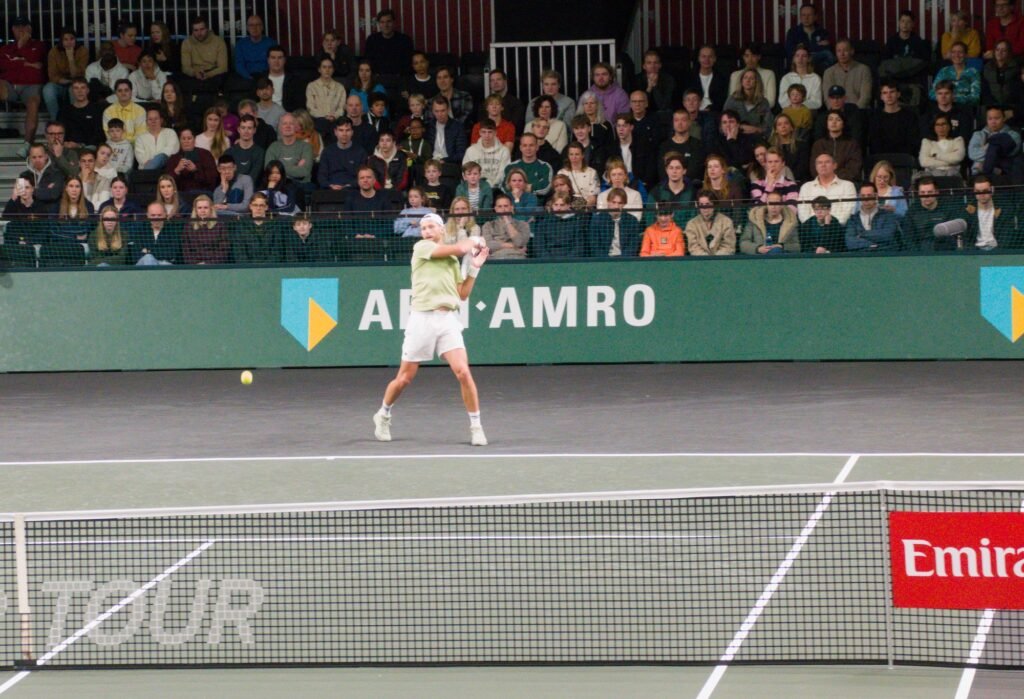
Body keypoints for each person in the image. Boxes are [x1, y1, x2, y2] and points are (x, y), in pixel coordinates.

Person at [373, 210, 490, 445]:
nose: (426, 232)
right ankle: (383, 414)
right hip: (421, 319)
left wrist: (475, 268)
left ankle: (476, 426)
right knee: (404, 378)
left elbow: (462, 294)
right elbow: (459, 248)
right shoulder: (422, 248)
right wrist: (475, 240)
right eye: (423, 228)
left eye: (430, 227)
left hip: (447, 320)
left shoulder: (452, 261)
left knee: (463, 372)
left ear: (441, 230)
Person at [0, 16, 46, 156]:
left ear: (29, 29)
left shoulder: (39, 46)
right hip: (9, 86)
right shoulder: (5, 48)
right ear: (12, 29)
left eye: (24, 26)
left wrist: (21, 52)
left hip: (30, 86)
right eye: (17, 27)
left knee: (33, 102)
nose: (20, 30)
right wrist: (27, 63)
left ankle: (27, 144)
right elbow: (3, 66)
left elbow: (39, 66)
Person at [45, 176, 93, 265]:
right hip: (60, 250)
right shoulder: (56, 207)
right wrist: (75, 237)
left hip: (80, 251)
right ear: (66, 188)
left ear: (81, 189)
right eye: (71, 186)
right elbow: (53, 233)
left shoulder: (88, 206)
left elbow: (86, 231)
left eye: (77, 186)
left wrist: (65, 232)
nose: (74, 189)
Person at [797, 153, 857, 224]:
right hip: (813, 231)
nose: (823, 165)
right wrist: (816, 226)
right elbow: (803, 213)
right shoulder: (806, 187)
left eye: (827, 162)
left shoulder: (847, 186)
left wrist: (832, 225)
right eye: (820, 163)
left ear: (835, 165)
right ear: (816, 167)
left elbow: (849, 211)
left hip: (838, 230)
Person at [901, 177, 956, 252]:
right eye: (922, 193)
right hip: (919, 255)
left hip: (944, 253)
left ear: (936, 192)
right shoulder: (912, 212)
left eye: (929, 192)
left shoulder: (947, 209)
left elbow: (952, 237)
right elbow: (909, 239)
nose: (926, 196)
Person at [43, 27, 87, 122]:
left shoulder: (82, 51)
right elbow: (52, 75)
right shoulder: (54, 52)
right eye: (65, 39)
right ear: (61, 41)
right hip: (59, 83)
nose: (69, 42)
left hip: (76, 82)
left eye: (71, 39)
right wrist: (64, 81)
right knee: (48, 89)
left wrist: (70, 57)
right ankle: (56, 121)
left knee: (74, 89)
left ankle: (74, 121)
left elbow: (77, 75)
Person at [964, 175, 1019, 250]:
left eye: (985, 191)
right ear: (974, 191)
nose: (981, 195)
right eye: (977, 192)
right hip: (975, 251)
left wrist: (998, 252)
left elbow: (1007, 234)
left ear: (992, 189)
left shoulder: (1005, 208)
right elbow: (966, 236)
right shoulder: (968, 210)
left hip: (998, 251)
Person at [179, 15, 228, 97]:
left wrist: (208, 74)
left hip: (213, 73)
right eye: (196, 30)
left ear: (207, 29)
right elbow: (185, 67)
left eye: (202, 29)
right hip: (195, 73)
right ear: (192, 31)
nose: (199, 33)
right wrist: (195, 73)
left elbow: (223, 67)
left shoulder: (218, 41)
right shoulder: (186, 43)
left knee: (220, 80)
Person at [869, 80, 920, 158]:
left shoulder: (910, 117)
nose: (889, 96)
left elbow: (913, 143)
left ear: (898, 94)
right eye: (885, 93)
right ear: (881, 97)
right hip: (881, 160)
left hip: (905, 159)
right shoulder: (875, 118)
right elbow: (874, 144)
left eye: (892, 92)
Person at [605, 114, 657, 190]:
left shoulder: (643, 146)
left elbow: (650, 168)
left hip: (639, 185)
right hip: (618, 185)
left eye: (624, 126)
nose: (621, 129)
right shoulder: (611, 148)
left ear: (631, 127)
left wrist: (643, 183)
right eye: (618, 126)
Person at [741, 190, 800, 254]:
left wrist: (782, 246)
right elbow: (743, 243)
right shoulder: (754, 220)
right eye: (771, 203)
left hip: (781, 257)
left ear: (781, 205)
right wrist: (758, 248)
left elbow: (797, 247)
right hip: (759, 258)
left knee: (776, 251)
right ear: (766, 204)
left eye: (776, 204)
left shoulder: (790, 221)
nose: (773, 207)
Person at [265, 112, 314, 190]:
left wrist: (279, 168)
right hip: (279, 186)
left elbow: (304, 172)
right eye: (284, 123)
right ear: (280, 127)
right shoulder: (273, 147)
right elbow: (269, 171)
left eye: (291, 123)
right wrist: (295, 167)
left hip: (301, 187)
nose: (287, 126)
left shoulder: (306, 147)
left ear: (296, 127)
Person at [811, 110, 862, 182]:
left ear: (843, 124)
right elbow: (814, 168)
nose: (833, 122)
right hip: (823, 181)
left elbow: (854, 169)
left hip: (846, 182)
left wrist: (834, 177)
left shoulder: (852, 144)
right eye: (830, 119)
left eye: (838, 120)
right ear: (826, 123)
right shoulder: (819, 144)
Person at [968, 106, 1021, 176]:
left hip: (1004, 174)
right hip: (979, 175)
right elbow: (972, 154)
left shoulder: (1014, 135)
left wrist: (986, 148)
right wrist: (992, 151)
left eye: (997, 118)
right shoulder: (978, 134)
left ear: (1004, 118)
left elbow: (1010, 153)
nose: (993, 122)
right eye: (990, 119)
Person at [880, 11, 931, 83]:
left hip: (913, 78)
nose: (905, 24)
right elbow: (885, 61)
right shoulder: (891, 41)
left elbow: (921, 63)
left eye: (908, 22)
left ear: (913, 24)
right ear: (899, 23)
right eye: (902, 21)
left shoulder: (918, 42)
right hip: (894, 77)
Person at [845, 182, 899, 251]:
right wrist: (872, 245)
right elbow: (850, 242)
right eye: (863, 196)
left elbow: (888, 235)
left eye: (869, 196)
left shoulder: (887, 216)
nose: (866, 199)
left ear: (876, 196)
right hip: (861, 257)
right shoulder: (853, 220)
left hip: (884, 255)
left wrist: (862, 234)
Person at [318, 117, 367, 191]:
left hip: (353, 190)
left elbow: (363, 177)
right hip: (331, 190)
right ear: (335, 132)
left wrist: (350, 185)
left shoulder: (360, 152)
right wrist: (330, 185)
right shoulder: (327, 152)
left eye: (347, 130)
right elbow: (321, 176)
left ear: (352, 132)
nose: (344, 134)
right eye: (341, 130)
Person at [230, 192, 280, 263]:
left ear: (266, 207)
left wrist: (267, 267)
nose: (258, 208)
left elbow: (277, 251)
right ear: (250, 206)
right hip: (248, 269)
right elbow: (239, 251)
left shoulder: (275, 226)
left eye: (261, 205)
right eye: (255, 205)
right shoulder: (241, 225)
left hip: (270, 268)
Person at [822, 39, 872, 110]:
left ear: (852, 51)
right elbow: (827, 98)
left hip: (858, 112)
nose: (842, 54)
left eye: (845, 50)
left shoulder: (864, 70)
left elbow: (865, 97)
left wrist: (855, 112)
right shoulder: (829, 72)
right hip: (836, 114)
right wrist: (836, 113)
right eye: (839, 51)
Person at [723, 68, 773, 138]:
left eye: (751, 78)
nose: (748, 80)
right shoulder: (732, 99)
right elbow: (724, 122)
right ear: (741, 81)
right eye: (745, 78)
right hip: (735, 137)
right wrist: (740, 127)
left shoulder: (763, 102)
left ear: (756, 82)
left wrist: (756, 129)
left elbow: (768, 127)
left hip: (755, 138)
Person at [364, 9, 414, 78]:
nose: (386, 25)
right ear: (379, 24)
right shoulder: (372, 40)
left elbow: (409, 63)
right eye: (382, 22)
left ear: (394, 22)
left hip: (400, 79)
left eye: (389, 21)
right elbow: (368, 62)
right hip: (378, 79)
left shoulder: (405, 40)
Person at [684, 190, 736, 255]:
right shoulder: (691, 224)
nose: (704, 208)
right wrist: (706, 259)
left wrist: (716, 260)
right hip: (701, 261)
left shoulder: (726, 222)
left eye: (707, 204)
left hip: (722, 260)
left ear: (714, 204)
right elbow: (693, 247)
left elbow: (728, 246)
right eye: (701, 205)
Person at [165, 127, 218, 192]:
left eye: (189, 138)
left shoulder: (205, 154)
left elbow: (212, 179)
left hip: (202, 193)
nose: (186, 141)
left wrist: (195, 170)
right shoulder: (174, 158)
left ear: (194, 139)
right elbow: (166, 182)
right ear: (180, 140)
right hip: (181, 194)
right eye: (183, 139)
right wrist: (177, 170)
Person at [463, 118, 511, 190]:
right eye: (484, 132)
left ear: (495, 133)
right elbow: (466, 171)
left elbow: (503, 174)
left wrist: (490, 186)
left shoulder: (504, 151)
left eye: (490, 132)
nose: (487, 135)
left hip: (496, 189)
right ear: (480, 133)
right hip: (474, 188)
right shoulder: (471, 151)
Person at [182, 194, 230, 263]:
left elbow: (223, 250)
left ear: (211, 209)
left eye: (205, 207)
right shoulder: (189, 226)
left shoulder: (220, 225)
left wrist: (208, 263)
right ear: (195, 210)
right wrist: (195, 264)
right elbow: (186, 250)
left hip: (215, 266)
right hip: (194, 266)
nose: (203, 211)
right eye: (200, 208)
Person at [307, 56, 348, 138]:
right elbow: (311, 108)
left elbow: (341, 108)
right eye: (324, 67)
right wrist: (325, 116)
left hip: (335, 122)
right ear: (319, 69)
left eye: (330, 67)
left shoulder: (340, 87)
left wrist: (334, 116)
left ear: (333, 70)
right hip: (318, 122)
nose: (327, 70)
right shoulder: (312, 86)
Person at [931, 42, 981, 107]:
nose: (956, 55)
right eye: (953, 52)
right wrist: (945, 99)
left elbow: (975, 98)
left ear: (966, 55)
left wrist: (954, 99)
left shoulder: (973, 72)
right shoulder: (944, 71)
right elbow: (932, 93)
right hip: (944, 107)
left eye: (960, 52)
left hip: (965, 108)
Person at [479, 192, 529, 258]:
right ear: (496, 209)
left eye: (506, 206)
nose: (503, 209)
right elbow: (489, 245)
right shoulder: (488, 225)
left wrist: (507, 222)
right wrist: (511, 245)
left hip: (517, 256)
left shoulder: (523, 224)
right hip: (496, 257)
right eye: (500, 206)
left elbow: (519, 242)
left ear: (511, 208)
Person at [60, 78, 105, 148]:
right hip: (69, 148)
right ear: (72, 91)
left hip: (90, 148)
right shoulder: (64, 111)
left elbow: (99, 134)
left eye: (83, 88)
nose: (79, 91)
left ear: (88, 90)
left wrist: (80, 145)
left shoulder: (97, 109)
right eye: (76, 88)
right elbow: (61, 131)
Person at [920, 115, 967, 180]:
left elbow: (957, 158)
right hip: (932, 175)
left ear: (949, 126)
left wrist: (936, 156)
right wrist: (950, 162)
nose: (941, 127)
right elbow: (924, 162)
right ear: (933, 127)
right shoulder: (927, 142)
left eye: (943, 124)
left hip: (952, 174)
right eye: (937, 125)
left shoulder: (958, 140)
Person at [684, 45, 728, 114]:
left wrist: (710, 109)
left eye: (710, 57)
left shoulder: (721, 78)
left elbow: (723, 100)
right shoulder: (689, 77)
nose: (707, 60)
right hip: (693, 113)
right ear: (698, 58)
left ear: (715, 59)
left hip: (715, 113)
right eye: (703, 56)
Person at [778, 45, 823, 111]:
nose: (800, 58)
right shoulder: (786, 78)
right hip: (789, 112)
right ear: (794, 59)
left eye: (804, 56)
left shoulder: (815, 78)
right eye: (797, 55)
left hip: (809, 112)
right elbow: (782, 101)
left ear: (808, 59)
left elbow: (817, 102)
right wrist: (795, 107)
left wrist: (799, 105)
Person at [769, 113, 810, 182]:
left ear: (791, 127)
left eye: (786, 123)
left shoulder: (802, 145)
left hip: (798, 182)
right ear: (776, 130)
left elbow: (803, 168)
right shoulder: (772, 149)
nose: (783, 126)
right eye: (779, 124)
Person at [558, 141, 600, 208]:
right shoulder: (562, 173)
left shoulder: (592, 172)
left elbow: (593, 197)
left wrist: (584, 208)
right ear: (568, 156)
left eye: (577, 154)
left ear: (582, 155)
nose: (574, 157)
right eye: (571, 154)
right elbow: (559, 196)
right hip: (566, 208)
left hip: (585, 209)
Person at [233, 15, 275, 82]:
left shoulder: (271, 43)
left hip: (267, 78)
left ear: (262, 27)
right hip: (246, 78)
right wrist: (248, 77)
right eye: (251, 25)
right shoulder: (240, 44)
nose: (254, 28)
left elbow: (274, 63)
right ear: (247, 28)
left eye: (258, 25)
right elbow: (239, 64)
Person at [226, 114, 266, 181]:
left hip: (253, 190)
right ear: (238, 129)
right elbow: (227, 176)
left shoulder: (260, 153)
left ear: (254, 130)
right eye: (243, 128)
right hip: (232, 189)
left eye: (249, 128)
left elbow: (254, 177)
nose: (246, 131)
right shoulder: (229, 152)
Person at [983, 40, 1020, 107]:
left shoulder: (1016, 68)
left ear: (1009, 53)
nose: (999, 52)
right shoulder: (987, 68)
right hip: (991, 104)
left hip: (1012, 104)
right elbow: (985, 90)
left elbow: (1017, 91)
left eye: (1004, 50)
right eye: (997, 50)